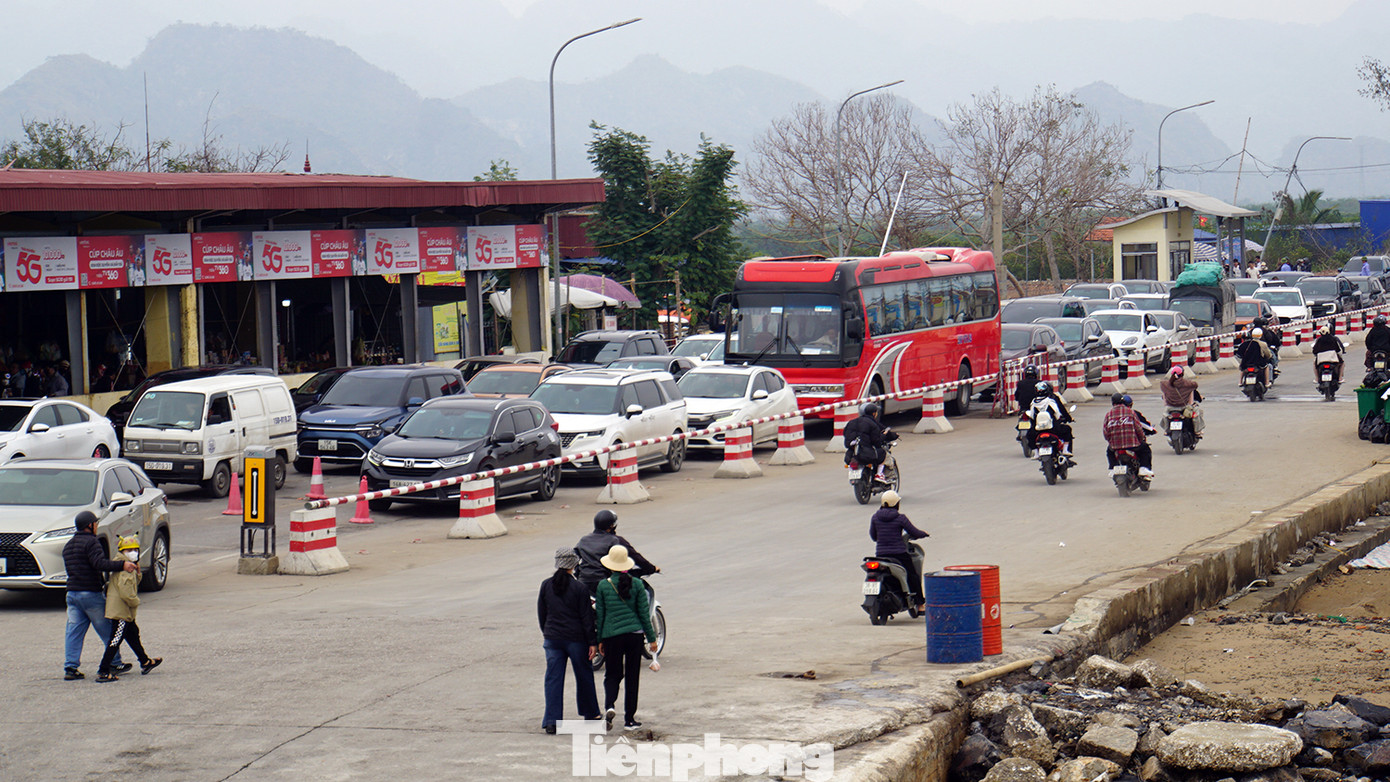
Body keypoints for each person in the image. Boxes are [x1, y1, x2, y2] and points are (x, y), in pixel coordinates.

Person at [62, 511, 137, 680]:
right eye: (95, 523)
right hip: (90, 594)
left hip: (72, 594)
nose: (96, 525)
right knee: (108, 629)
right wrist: (122, 565)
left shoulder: (68, 545)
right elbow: (99, 564)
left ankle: (70, 667)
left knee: (74, 631)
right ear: (89, 525)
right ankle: (114, 662)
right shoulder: (92, 542)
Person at [594, 545, 658, 732]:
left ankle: (610, 706)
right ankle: (630, 719)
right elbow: (644, 615)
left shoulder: (603, 585)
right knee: (632, 676)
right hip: (634, 636)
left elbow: (600, 615)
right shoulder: (637, 585)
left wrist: (599, 640)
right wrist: (652, 638)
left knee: (612, 674)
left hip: (612, 636)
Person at [538, 547, 600, 734]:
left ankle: (551, 720)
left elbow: (542, 613)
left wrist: (547, 633)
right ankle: (591, 714)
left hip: (553, 639)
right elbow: (586, 618)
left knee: (553, 678)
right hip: (576, 640)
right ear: (573, 565)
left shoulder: (546, 585)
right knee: (584, 675)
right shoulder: (580, 588)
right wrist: (592, 643)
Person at [95, 536, 161, 683]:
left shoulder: (127, 565)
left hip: (124, 612)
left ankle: (145, 661)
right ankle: (103, 670)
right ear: (122, 551)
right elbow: (127, 593)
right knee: (115, 640)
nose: (133, 553)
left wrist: (138, 572)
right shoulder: (125, 568)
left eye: (135, 550)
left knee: (133, 635)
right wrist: (135, 602)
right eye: (129, 550)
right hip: (121, 612)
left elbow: (133, 583)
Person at [868, 490, 928, 613]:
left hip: (881, 555)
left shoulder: (875, 517)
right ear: (896, 504)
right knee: (912, 576)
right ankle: (920, 604)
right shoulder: (900, 518)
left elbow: (874, 537)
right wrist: (924, 534)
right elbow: (914, 532)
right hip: (899, 555)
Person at [575, 511, 657, 595]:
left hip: (583, 582)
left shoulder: (584, 540)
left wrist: (578, 571)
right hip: (606, 582)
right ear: (612, 526)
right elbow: (636, 557)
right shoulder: (616, 540)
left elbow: (573, 557)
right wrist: (652, 568)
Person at [842, 402, 898, 481]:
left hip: (851, 455)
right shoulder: (872, 424)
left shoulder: (851, 423)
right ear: (874, 413)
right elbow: (877, 441)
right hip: (867, 454)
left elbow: (846, 437)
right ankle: (879, 474)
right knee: (883, 453)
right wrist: (884, 435)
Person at [1102, 393, 1153, 477]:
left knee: (1109, 451)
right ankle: (1143, 468)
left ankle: (1112, 468)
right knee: (1145, 449)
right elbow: (1138, 429)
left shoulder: (1108, 415)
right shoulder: (1131, 412)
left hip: (1115, 446)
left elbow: (1105, 432)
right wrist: (1141, 439)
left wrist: (1111, 442)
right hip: (1132, 445)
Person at [1025, 381, 1075, 459]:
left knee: (1029, 435)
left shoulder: (1034, 402)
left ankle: (1036, 453)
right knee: (1067, 429)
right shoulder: (1050, 401)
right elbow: (1057, 414)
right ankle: (1065, 450)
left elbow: (1032, 416)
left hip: (1038, 430)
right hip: (1053, 429)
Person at [1159, 365, 1205, 436]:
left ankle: (1166, 430)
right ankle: (1197, 431)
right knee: (1196, 413)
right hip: (1184, 407)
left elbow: (1162, 386)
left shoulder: (1165, 384)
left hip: (1170, 407)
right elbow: (1195, 385)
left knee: (1165, 416)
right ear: (1182, 374)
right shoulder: (1187, 384)